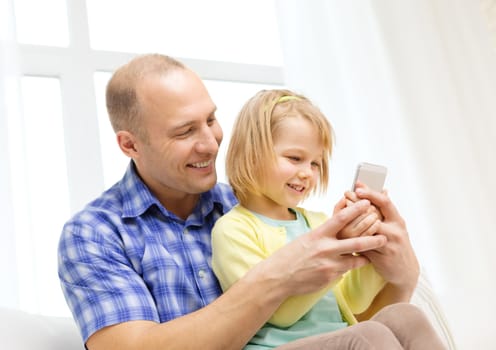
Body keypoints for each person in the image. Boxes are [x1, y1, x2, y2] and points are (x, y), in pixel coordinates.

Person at [57, 53, 432, 350]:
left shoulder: (258, 202)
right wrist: (280, 276)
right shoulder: (95, 234)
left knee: (402, 321)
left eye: (211, 119)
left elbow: (344, 323)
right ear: (130, 144)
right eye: (185, 131)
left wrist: (398, 275)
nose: (210, 142)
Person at [211, 89, 446, 349]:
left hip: (337, 340)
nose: (307, 173)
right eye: (295, 158)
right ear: (251, 153)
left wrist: (369, 249)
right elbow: (280, 315)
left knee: (405, 315)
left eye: (315, 163)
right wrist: (332, 260)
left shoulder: (317, 222)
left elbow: (352, 302)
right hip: (277, 346)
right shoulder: (234, 229)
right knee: (368, 335)